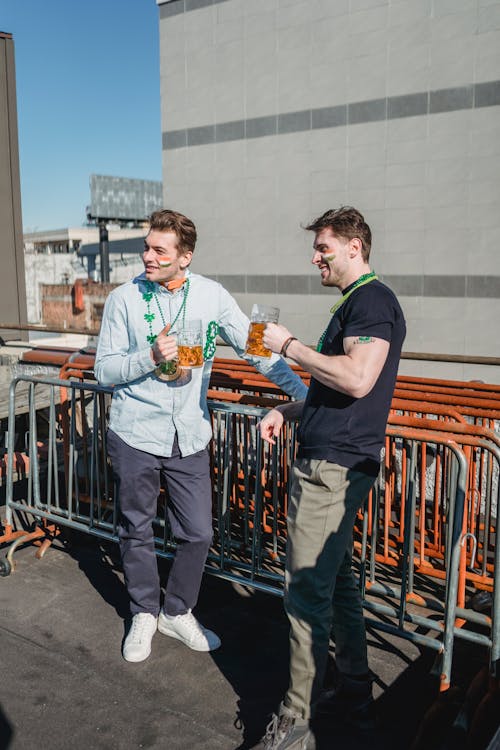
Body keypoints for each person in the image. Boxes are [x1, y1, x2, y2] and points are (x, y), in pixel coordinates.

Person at [94, 209, 307, 663]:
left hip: (189, 433)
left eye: (159, 250)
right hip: (134, 431)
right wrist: (148, 356)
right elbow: (104, 370)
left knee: (198, 532)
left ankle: (177, 609)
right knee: (136, 528)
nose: (147, 256)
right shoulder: (122, 299)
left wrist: (304, 394)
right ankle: (144, 612)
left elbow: (256, 351)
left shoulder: (212, 296)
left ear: (185, 256)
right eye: (146, 247)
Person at [256, 206, 406, 749]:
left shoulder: (371, 300)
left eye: (323, 247)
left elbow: (359, 378)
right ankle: (356, 691)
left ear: (354, 247)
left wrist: (288, 347)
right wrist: (289, 411)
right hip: (334, 458)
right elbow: (333, 388)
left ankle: (296, 720)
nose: (315, 256)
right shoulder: (355, 304)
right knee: (337, 583)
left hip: (334, 467)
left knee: (304, 591)